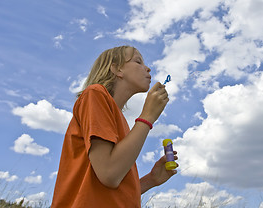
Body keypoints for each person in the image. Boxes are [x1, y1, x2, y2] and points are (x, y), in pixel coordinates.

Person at [51, 45, 178, 208]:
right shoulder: (94, 94)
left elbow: (109, 190)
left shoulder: (121, 120)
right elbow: (109, 174)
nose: (148, 68)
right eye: (138, 61)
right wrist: (148, 116)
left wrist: (150, 180)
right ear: (117, 69)